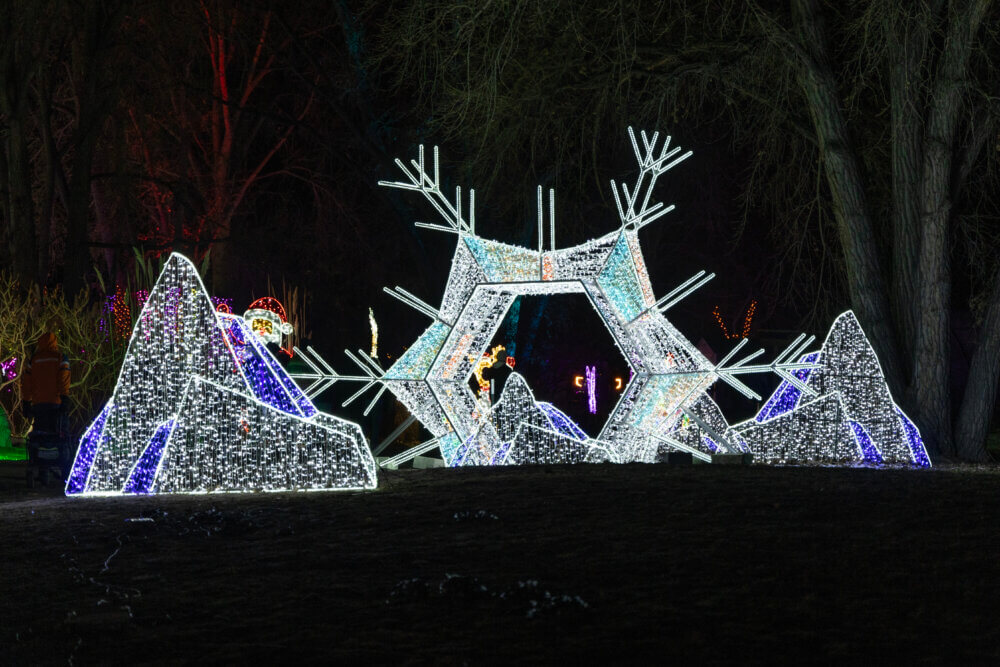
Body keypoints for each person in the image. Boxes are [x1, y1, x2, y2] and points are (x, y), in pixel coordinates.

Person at [21, 332, 71, 487]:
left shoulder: (34, 360)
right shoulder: (60, 357)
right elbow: (63, 377)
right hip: (55, 402)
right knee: (58, 435)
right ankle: (63, 468)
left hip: (39, 404)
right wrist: (64, 396)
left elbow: (27, 381)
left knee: (41, 435)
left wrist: (26, 401)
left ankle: (43, 470)